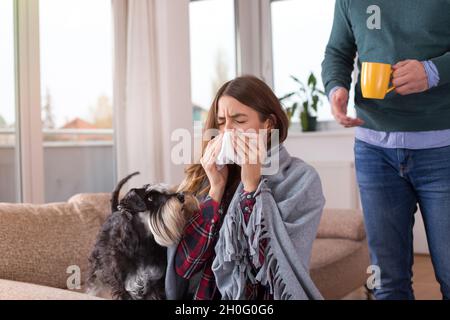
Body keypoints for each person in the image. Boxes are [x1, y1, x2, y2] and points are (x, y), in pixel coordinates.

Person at [322, 0, 450, 299]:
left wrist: (433, 72)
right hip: (373, 152)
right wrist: (336, 89)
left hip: (442, 151)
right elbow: (337, 53)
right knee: (386, 283)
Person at [164, 75, 325, 300]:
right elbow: (184, 267)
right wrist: (215, 189)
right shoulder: (208, 176)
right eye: (221, 123)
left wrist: (252, 188)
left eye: (238, 120)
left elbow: (268, 274)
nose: (227, 131)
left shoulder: (301, 180)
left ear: (268, 124)